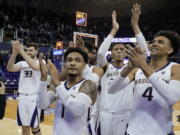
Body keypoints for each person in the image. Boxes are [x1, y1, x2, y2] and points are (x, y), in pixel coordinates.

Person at [108, 30, 180, 135]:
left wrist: (143, 66)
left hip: (160, 131)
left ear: (169, 50)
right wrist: (128, 68)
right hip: (133, 130)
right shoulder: (137, 70)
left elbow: (174, 98)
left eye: (160, 42)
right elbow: (111, 89)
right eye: (153, 41)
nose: (154, 43)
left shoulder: (175, 68)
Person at [37, 47, 97, 135]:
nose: (73, 63)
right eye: (69, 60)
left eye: (77, 60)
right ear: (65, 64)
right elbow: (41, 104)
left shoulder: (88, 84)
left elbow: (77, 110)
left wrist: (57, 83)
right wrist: (43, 78)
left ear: (84, 65)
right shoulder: (59, 85)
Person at [96, 10, 135, 135]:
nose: (119, 51)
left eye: (122, 49)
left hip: (125, 114)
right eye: (116, 49)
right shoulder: (106, 67)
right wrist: (114, 30)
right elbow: (101, 53)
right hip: (105, 114)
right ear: (111, 53)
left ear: (126, 53)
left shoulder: (132, 69)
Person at [7, 41, 42, 135]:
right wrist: (14, 54)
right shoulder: (22, 63)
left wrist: (22, 51)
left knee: (35, 127)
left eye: (31, 50)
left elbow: (35, 67)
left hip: (34, 98)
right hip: (22, 97)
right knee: (24, 127)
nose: (28, 52)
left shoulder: (41, 62)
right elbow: (9, 68)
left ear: (36, 52)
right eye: (27, 50)